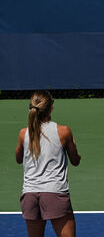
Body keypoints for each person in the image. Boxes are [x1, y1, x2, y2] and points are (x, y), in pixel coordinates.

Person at [15, 90, 81, 237]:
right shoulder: (64, 131)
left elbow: (18, 159)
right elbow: (75, 161)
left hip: (30, 194)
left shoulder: (22, 133)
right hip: (55, 192)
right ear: (51, 108)